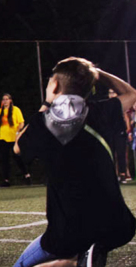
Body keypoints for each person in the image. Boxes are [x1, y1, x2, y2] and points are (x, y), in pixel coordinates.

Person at [12, 57, 136, 267]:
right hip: (117, 225)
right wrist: (97, 72)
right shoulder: (101, 112)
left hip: (70, 232)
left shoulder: (42, 125)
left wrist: (46, 103)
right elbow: (131, 94)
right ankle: (83, 257)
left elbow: (17, 147)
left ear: (56, 84)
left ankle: (75, 262)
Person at [0, 93, 31, 186]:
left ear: (10, 100)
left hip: (14, 138)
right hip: (3, 138)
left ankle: (27, 176)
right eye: (3, 99)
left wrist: (18, 131)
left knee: (17, 157)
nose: (5, 101)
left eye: (7, 99)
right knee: (4, 159)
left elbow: (21, 123)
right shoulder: (0, 111)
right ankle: (6, 181)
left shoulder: (16, 110)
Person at [109, 89, 131, 184]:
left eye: (113, 92)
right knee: (111, 154)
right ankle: (113, 175)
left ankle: (123, 174)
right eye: (110, 93)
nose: (112, 94)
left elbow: (126, 118)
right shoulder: (106, 105)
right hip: (110, 132)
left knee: (121, 154)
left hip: (120, 132)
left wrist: (128, 130)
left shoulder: (120, 103)